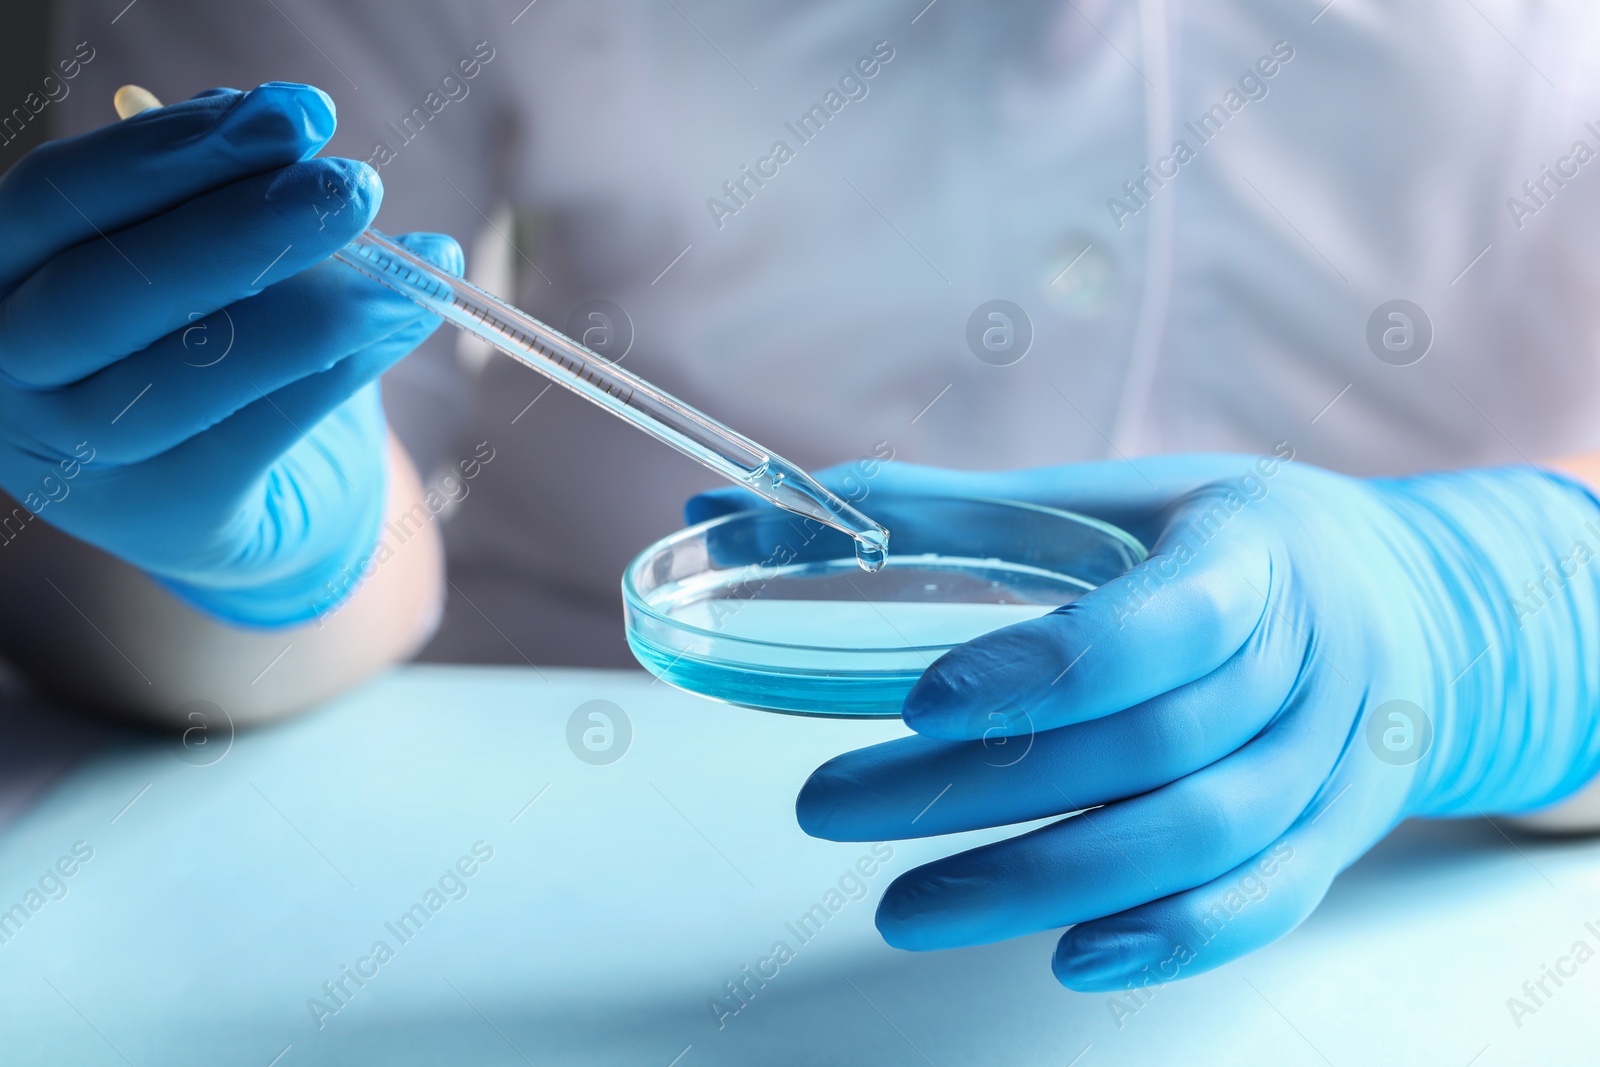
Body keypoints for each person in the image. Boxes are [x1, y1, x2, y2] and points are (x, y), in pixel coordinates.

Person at [2, 0, 1599, 989]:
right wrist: (238, 545)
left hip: (1449, 894)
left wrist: (1511, 610)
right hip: (554, 848)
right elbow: (306, 486)